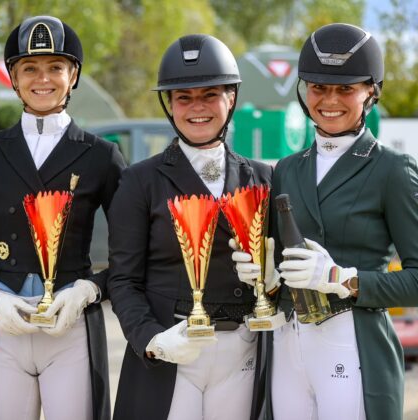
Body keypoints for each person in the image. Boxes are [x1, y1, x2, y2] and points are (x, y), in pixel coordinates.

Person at [0, 15, 126, 420]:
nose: (42, 79)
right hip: (5, 323)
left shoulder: (101, 155)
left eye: (55, 68)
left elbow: (131, 251)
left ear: (73, 74)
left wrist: (89, 290)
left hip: (70, 324)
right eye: (30, 68)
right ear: (13, 76)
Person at [233, 23, 418, 420]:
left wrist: (343, 278)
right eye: (318, 87)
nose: (329, 100)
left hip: (352, 339)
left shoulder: (393, 170)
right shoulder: (286, 169)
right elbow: (279, 258)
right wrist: (262, 273)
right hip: (288, 343)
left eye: (345, 89)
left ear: (371, 91)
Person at [107, 34, 273, 420]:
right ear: (169, 105)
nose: (197, 107)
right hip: (173, 348)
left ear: (231, 99)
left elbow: (276, 266)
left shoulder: (262, 178)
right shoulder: (139, 181)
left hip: (242, 350)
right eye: (184, 97)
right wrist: (151, 339)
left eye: (209, 94)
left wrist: (274, 277)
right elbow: (123, 280)